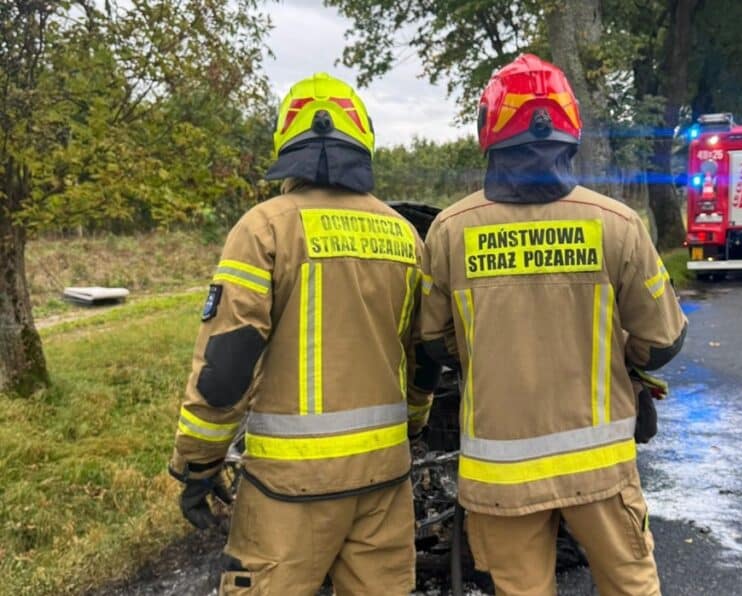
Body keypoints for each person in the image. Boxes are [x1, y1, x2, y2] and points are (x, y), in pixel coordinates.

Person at [419, 54, 687, 596]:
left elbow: (433, 342)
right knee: (630, 584)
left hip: (501, 476)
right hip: (602, 475)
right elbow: (663, 339)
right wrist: (627, 363)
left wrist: (480, 352)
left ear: (488, 133)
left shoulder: (449, 231)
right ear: (570, 133)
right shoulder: (617, 224)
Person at [167, 72, 438, 595]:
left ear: (286, 144)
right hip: (384, 482)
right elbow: (424, 353)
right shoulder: (405, 235)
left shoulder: (264, 227)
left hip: (287, 493)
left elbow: (226, 368)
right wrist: (416, 421)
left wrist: (199, 463)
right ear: (362, 141)